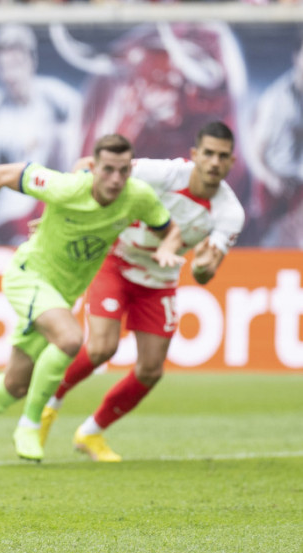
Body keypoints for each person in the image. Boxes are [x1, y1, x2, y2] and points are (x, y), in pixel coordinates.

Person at [0, 133, 184, 465]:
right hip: (28, 277)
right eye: (108, 169)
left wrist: (168, 247)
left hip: (61, 295)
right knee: (70, 339)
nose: (116, 179)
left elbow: (170, 229)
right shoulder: (66, 188)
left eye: (123, 171)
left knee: (15, 384)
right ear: (93, 167)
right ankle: (30, 424)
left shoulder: (138, 197)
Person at [36, 121, 245, 462]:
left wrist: (202, 268)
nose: (214, 162)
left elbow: (205, 272)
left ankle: (91, 432)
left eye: (222, 156)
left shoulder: (230, 213)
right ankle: (47, 405)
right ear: (194, 155)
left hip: (159, 279)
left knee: (150, 370)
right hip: (116, 260)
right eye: (208, 153)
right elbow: (86, 168)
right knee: (102, 347)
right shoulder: (164, 174)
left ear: (232, 162)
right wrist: (64, 214)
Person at [0, 24, 82, 246]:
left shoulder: (56, 97)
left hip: (59, 202)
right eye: (2, 68)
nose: (10, 76)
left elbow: (86, 126)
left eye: (16, 65)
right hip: (15, 216)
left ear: (32, 61)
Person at [246, 31, 303, 247]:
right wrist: (271, 180)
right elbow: (255, 150)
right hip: (276, 187)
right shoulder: (276, 100)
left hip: (299, 186)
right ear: (296, 57)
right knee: (273, 245)